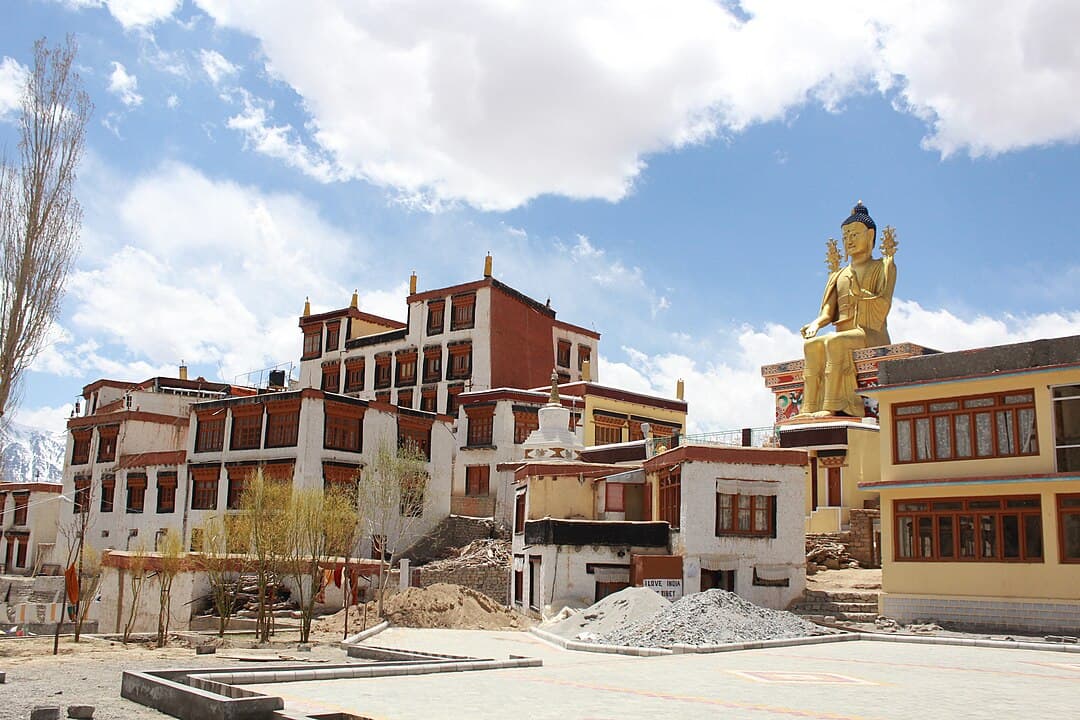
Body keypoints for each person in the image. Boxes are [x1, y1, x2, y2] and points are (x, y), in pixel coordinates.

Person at [798, 202, 896, 418]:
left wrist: (860, 294)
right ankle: (808, 406)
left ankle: (833, 405)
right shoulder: (839, 275)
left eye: (854, 234)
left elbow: (883, 304)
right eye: (845, 236)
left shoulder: (882, 267)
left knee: (835, 342)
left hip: (869, 333)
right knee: (812, 345)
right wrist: (815, 324)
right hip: (846, 332)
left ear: (870, 235)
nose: (849, 240)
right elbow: (827, 312)